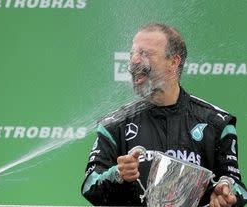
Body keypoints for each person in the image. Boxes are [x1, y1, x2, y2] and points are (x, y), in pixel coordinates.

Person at [81, 23, 247, 206]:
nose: (134, 61)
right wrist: (117, 174)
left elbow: (236, 187)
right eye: (132, 54)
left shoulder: (217, 124)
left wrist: (226, 193)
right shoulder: (114, 124)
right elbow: (90, 186)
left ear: (174, 62)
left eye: (145, 54)